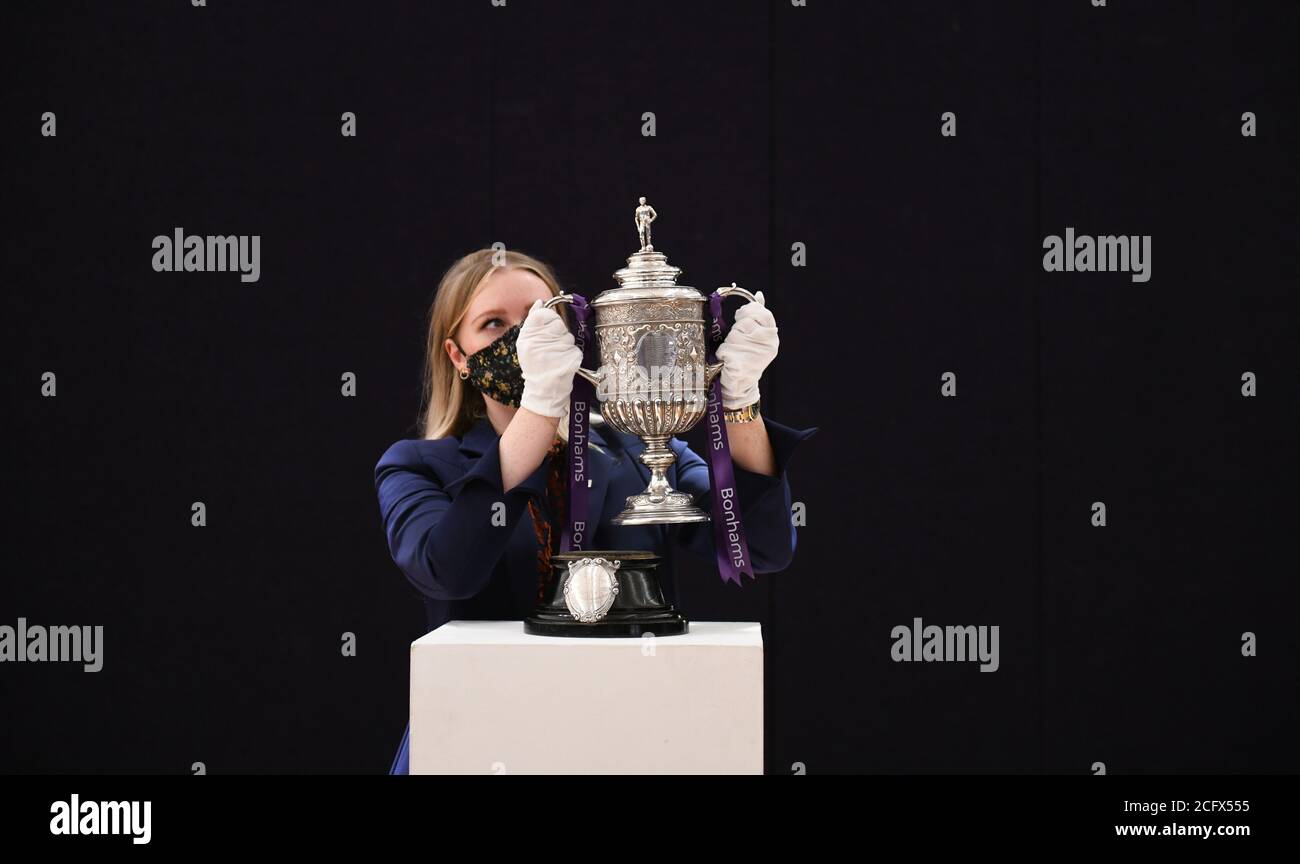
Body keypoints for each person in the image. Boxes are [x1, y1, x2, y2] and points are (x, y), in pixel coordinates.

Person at [374, 248, 817, 774]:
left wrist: (741, 399)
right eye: (494, 323)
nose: (525, 339)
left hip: (625, 738)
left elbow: (761, 548)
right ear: (458, 356)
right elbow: (448, 570)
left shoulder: (639, 449)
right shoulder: (417, 466)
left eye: (544, 318)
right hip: (476, 736)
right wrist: (538, 410)